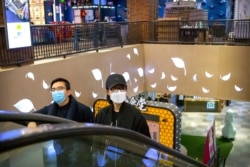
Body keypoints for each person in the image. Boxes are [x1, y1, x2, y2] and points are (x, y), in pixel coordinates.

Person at [28, 77, 94, 166]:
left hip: (79, 153)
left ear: (68, 92)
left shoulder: (83, 110)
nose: (56, 92)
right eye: (53, 90)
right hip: (60, 150)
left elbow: (92, 134)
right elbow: (32, 116)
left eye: (60, 89)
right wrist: (32, 122)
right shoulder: (51, 108)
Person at [94, 74, 151, 166]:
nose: (118, 91)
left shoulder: (136, 116)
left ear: (126, 90)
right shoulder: (102, 114)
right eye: (115, 89)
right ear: (108, 91)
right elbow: (96, 140)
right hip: (107, 162)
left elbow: (145, 144)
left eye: (121, 88)